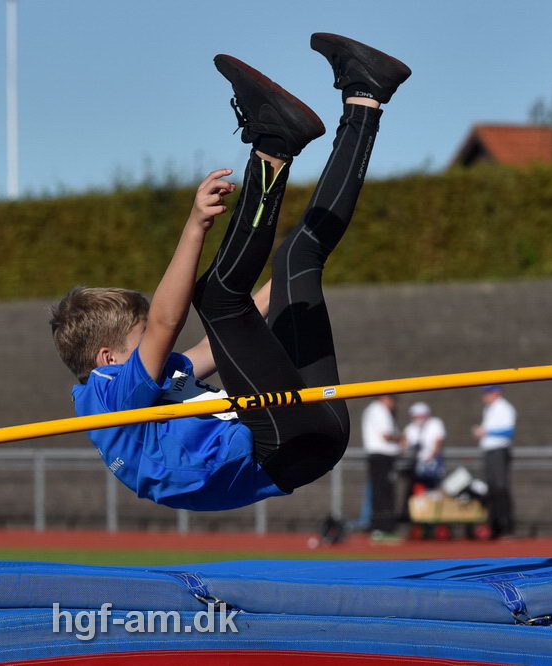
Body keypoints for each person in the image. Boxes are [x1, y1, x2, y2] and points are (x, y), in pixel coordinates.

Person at [50, 34, 410, 511]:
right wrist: (196, 224)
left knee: (296, 261)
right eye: (141, 340)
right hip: (278, 448)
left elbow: (214, 345)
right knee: (216, 299)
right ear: (107, 358)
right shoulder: (109, 396)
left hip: (307, 436)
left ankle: (365, 95)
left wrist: (280, 284)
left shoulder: (154, 387)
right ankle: (273, 148)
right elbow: (166, 321)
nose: (159, 348)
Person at [472, 385, 516, 537]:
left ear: (496, 393)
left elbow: (509, 431)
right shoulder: (488, 409)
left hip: (499, 451)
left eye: (488, 393)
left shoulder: (505, 408)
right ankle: (495, 526)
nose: (485, 396)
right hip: (489, 451)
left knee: (500, 487)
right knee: (491, 488)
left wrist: (486, 432)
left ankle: (506, 526)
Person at [361, 395, 401, 539]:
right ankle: (384, 527)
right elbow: (386, 435)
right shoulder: (379, 410)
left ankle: (380, 526)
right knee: (384, 493)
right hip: (382, 456)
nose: (394, 404)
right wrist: (402, 439)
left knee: (380, 492)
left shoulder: (373, 410)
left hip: (379, 457)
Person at [402, 401, 446, 499]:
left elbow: (439, 442)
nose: (419, 419)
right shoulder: (410, 429)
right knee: (417, 492)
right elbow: (404, 446)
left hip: (433, 465)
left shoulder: (436, 424)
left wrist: (432, 455)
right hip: (415, 466)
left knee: (432, 491)